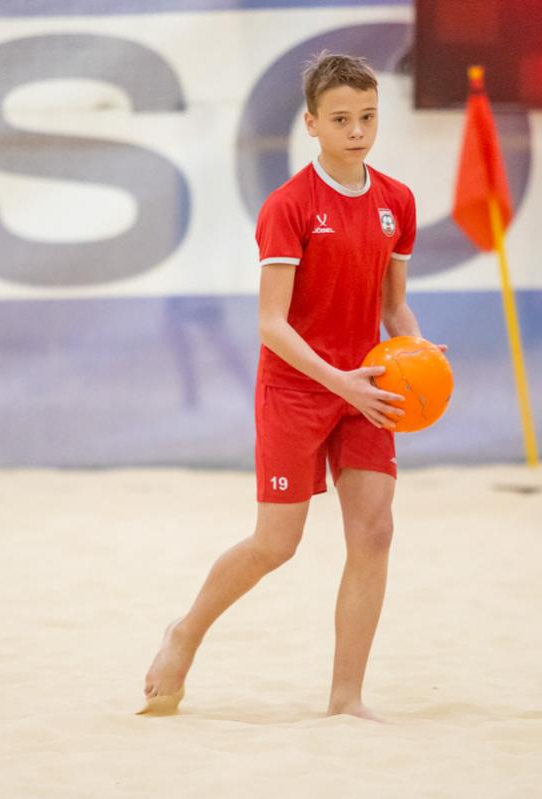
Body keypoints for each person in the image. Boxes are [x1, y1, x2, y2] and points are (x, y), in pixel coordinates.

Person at [140, 51, 440, 722]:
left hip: (367, 385)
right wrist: (339, 383)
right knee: (276, 544)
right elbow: (270, 325)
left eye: (368, 117)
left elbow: (394, 306)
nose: (357, 131)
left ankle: (346, 698)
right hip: (298, 388)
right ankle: (184, 632)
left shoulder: (396, 201)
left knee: (375, 532)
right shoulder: (289, 206)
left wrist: (416, 349)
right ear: (311, 123)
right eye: (341, 119)